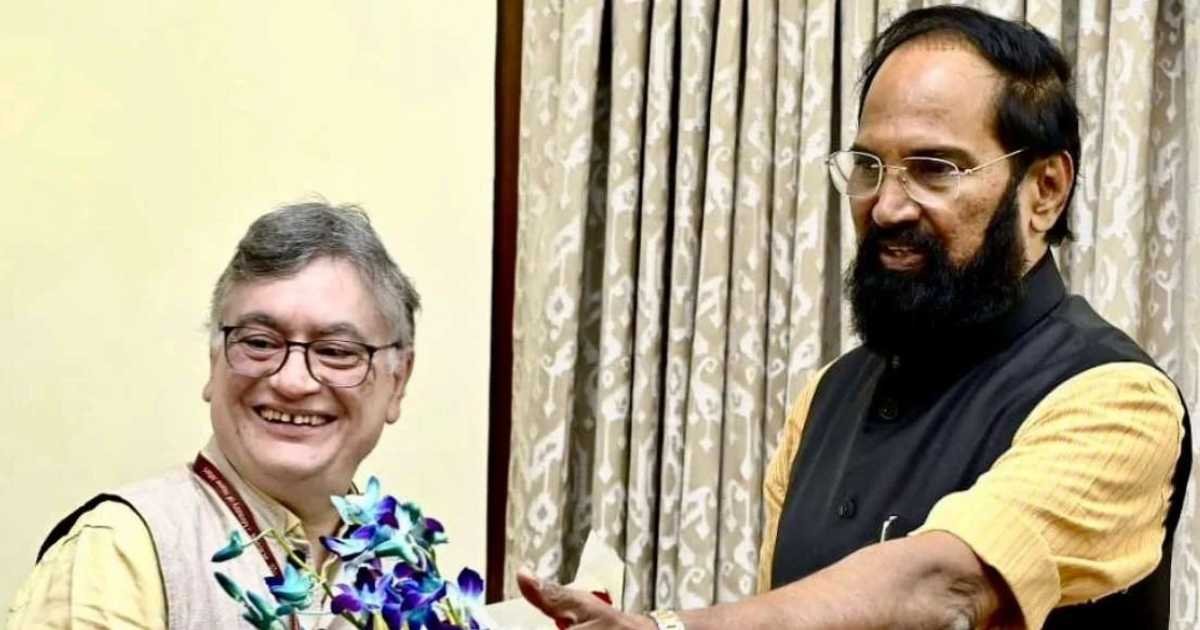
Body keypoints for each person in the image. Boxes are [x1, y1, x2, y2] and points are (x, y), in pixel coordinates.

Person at [517, 6, 1191, 630]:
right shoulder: (826, 397)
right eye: (869, 166)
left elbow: (945, 586)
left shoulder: (1118, 400)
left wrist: (666, 628)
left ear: (1045, 189)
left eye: (934, 168)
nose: (887, 206)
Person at [7, 202, 419, 629]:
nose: (293, 381)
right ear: (213, 361)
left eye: (335, 351)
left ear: (399, 380)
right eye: (259, 343)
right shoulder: (121, 552)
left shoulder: (401, 573)